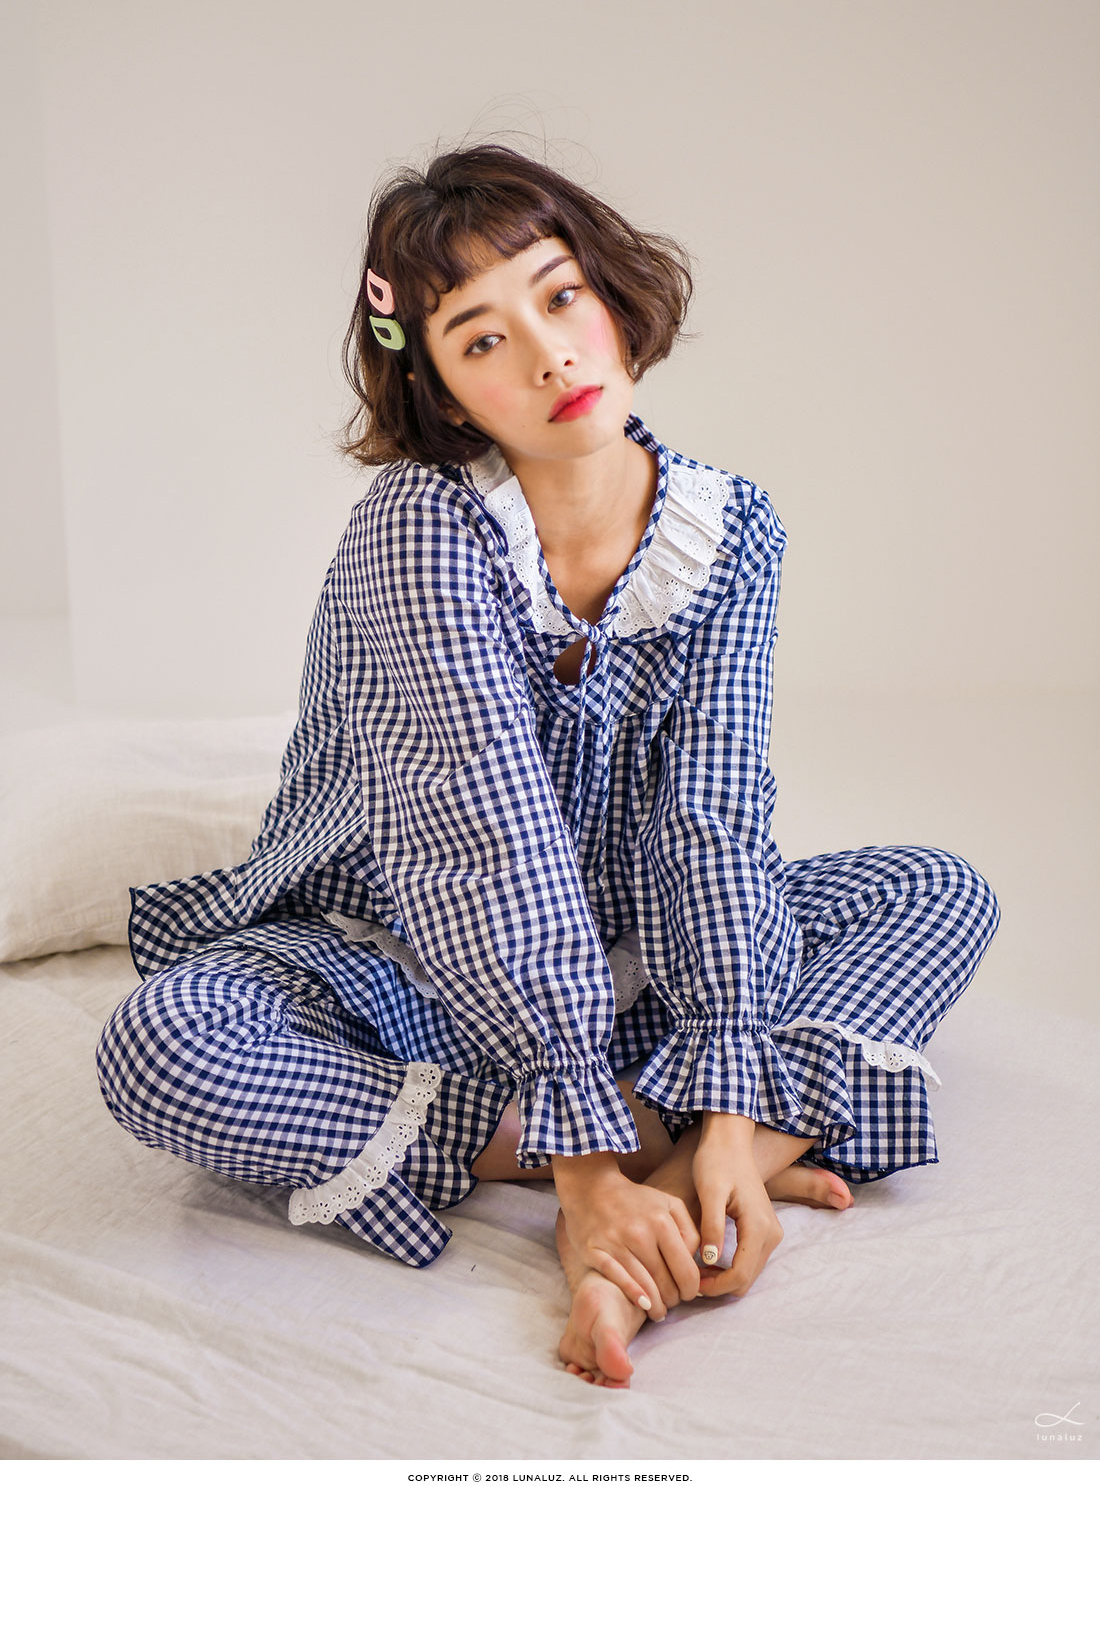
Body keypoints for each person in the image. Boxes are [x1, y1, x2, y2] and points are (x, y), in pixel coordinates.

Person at [96, 142, 1001, 1388]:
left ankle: (694, 1174)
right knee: (168, 1042)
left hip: (623, 957)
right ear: (446, 392)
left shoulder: (730, 529)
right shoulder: (421, 526)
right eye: (481, 339)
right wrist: (583, 1172)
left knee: (934, 890)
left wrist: (725, 1109)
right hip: (401, 954)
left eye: (560, 296)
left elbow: (711, 818)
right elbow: (483, 841)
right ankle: (619, 1146)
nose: (548, 356)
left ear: (612, 297)